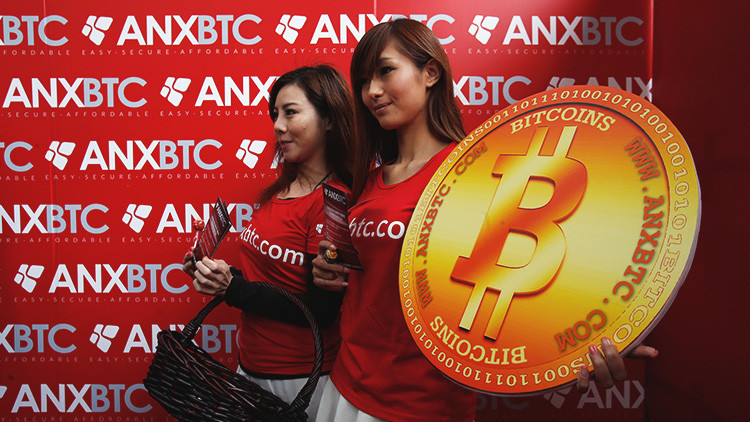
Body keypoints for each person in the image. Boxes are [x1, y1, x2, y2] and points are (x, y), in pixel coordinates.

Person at [311, 19, 658, 422]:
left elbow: (537, 264)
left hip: (421, 402)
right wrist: (331, 271)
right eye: (363, 81)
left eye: (385, 71)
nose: (371, 91)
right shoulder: (369, 181)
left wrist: (597, 334)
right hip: (346, 383)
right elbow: (371, 280)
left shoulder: (476, 172)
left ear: (431, 73)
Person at [182, 65, 355, 421]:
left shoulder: (331, 204)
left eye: (290, 112)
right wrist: (219, 274)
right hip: (251, 371)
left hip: (299, 383)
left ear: (329, 119)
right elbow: (274, 280)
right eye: (275, 114)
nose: (278, 125)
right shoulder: (282, 191)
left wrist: (232, 288)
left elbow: (321, 312)